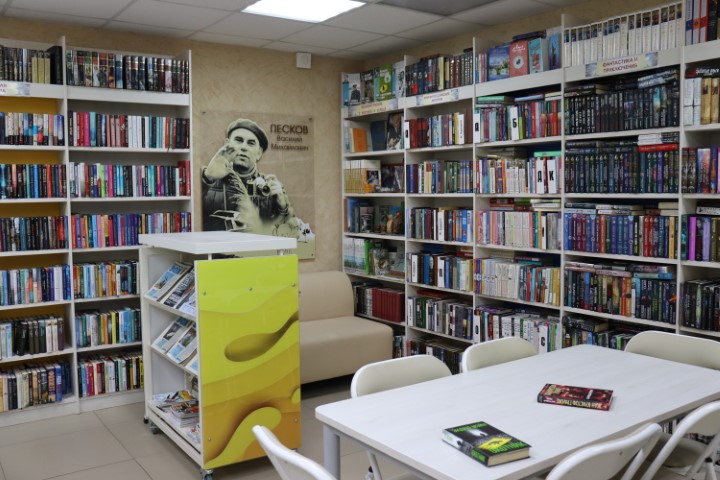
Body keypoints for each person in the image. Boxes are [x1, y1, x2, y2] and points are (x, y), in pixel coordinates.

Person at [201, 118, 298, 237]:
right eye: (238, 140)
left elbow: (293, 233)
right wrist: (207, 178)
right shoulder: (207, 177)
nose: (244, 147)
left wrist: (283, 207)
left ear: (259, 153)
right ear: (227, 144)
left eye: (251, 143)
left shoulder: (270, 187)